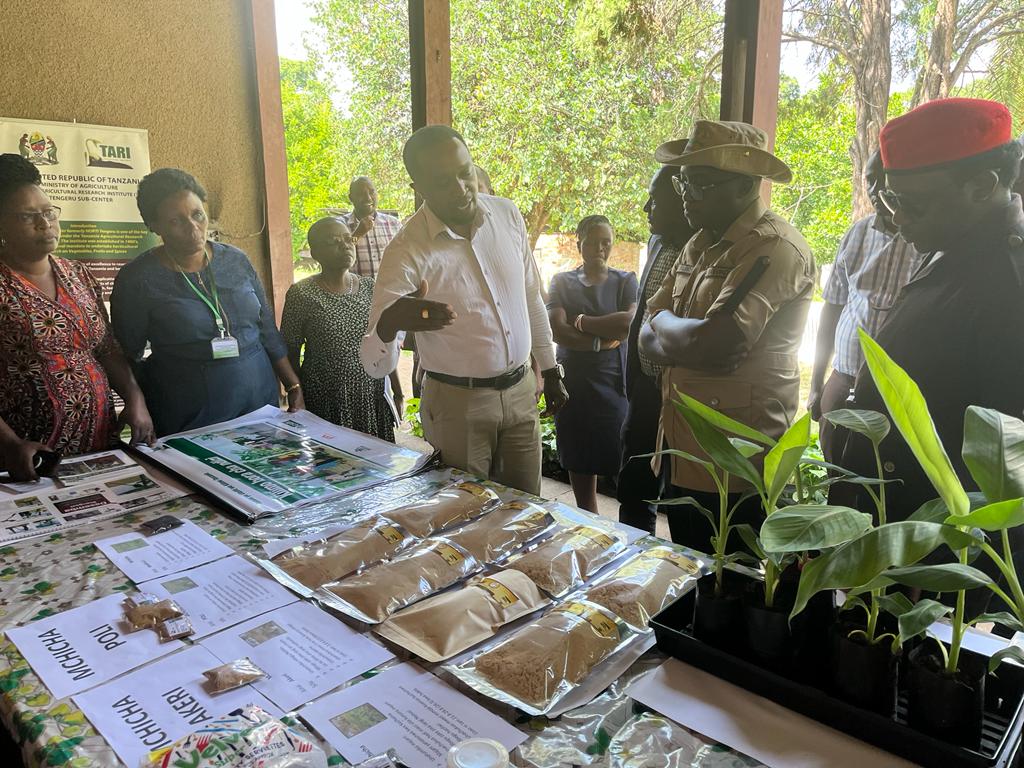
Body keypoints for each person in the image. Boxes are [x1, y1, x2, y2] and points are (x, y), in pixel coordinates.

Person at [836, 98, 1024, 524]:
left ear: (981, 186)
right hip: (900, 523)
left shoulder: (1011, 285)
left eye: (913, 204)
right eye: (890, 199)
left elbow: (1006, 467)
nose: (897, 218)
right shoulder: (950, 246)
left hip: (948, 549)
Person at [360, 125, 568, 495]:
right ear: (418, 189)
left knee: (527, 511)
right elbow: (375, 365)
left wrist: (550, 370)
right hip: (458, 407)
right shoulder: (406, 250)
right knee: (466, 516)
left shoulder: (506, 215)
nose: (460, 188)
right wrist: (390, 324)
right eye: (443, 182)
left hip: (521, 393)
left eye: (465, 172)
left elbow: (531, 296)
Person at [639, 120, 815, 552]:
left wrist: (665, 326)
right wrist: (671, 328)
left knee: (732, 581)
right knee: (689, 564)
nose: (685, 195)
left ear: (746, 186)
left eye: (700, 184)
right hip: (683, 445)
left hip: (735, 459)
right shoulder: (699, 243)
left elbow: (715, 344)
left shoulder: (772, 248)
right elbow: (647, 332)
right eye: (683, 182)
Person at [110, 168, 303, 437]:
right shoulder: (139, 280)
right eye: (176, 221)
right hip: (188, 408)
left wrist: (292, 385)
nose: (193, 228)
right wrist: (136, 402)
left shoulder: (236, 260)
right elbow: (124, 353)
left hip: (258, 398)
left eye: (197, 214)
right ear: (154, 225)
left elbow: (267, 329)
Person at [0, 154, 154, 480]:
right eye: (29, 216)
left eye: (48, 212)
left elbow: (107, 348)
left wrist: (134, 398)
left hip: (98, 441)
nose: (45, 224)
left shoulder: (78, 274)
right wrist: (9, 443)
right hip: (30, 452)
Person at [808, 150, 923, 463]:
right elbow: (832, 307)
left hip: (895, 392)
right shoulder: (857, 233)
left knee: (882, 483)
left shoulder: (926, 240)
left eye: (886, 180)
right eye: (871, 179)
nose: (877, 189)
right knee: (838, 477)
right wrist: (817, 383)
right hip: (842, 380)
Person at [617, 153, 696, 533]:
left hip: (683, 399)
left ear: (683, 201)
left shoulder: (705, 251)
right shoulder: (658, 241)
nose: (647, 208)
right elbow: (641, 315)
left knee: (683, 497)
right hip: (647, 391)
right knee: (634, 486)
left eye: (656, 200)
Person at [547, 215, 638, 512]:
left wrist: (583, 322)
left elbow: (628, 323)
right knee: (579, 452)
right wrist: (601, 340)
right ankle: (588, 514)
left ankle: (625, 519)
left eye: (606, 242)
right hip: (572, 382)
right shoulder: (562, 281)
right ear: (579, 244)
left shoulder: (625, 280)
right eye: (592, 242)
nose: (600, 248)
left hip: (613, 382)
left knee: (617, 448)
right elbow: (558, 329)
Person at [281, 217, 399, 441]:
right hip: (328, 399)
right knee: (333, 468)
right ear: (315, 253)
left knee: (376, 464)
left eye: (348, 239)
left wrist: (397, 391)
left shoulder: (369, 288)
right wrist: (296, 391)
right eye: (334, 241)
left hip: (370, 394)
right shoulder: (302, 294)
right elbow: (289, 350)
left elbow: (384, 341)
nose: (345, 245)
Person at [339, 176, 401, 280]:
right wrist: (357, 234)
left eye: (372, 192)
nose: (368, 198)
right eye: (360, 194)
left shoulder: (394, 224)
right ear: (351, 198)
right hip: (355, 294)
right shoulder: (339, 226)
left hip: (390, 292)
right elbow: (335, 260)